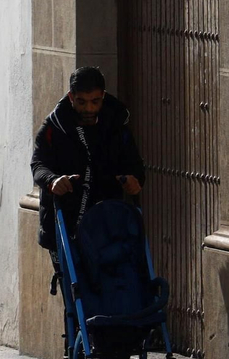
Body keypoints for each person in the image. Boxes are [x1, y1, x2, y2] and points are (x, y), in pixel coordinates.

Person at [31, 66, 146, 254]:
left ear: (103, 96)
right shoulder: (54, 127)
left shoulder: (116, 124)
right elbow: (38, 164)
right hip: (65, 223)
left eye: (95, 102)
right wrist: (53, 181)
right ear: (71, 97)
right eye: (81, 102)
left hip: (108, 224)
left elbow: (134, 164)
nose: (89, 109)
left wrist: (135, 180)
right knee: (74, 280)